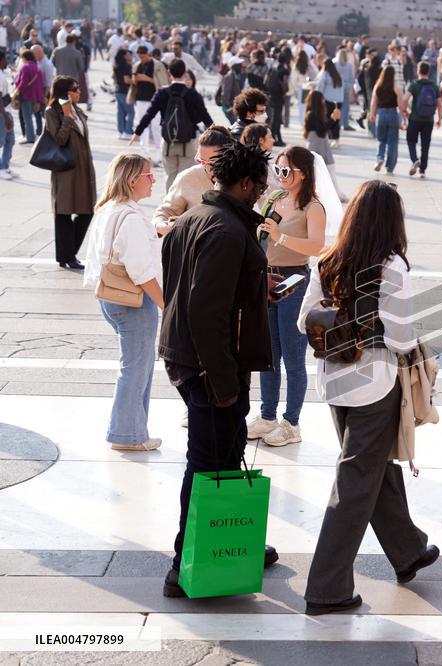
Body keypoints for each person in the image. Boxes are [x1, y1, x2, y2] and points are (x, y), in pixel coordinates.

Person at [298, 179, 438, 615]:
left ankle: (408, 549)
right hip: (374, 383)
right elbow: (399, 337)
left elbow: (306, 320)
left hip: (334, 383)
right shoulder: (391, 266)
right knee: (356, 481)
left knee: (371, 467)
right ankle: (326, 587)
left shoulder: (329, 260)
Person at [159, 141, 283, 599]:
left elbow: (190, 288)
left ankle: (233, 543)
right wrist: (222, 382)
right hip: (211, 365)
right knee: (207, 463)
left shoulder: (191, 219)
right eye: (260, 185)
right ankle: (182, 565)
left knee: (224, 458)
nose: (262, 192)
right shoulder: (227, 230)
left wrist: (257, 287)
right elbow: (204, 309)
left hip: (193, 356)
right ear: (246, 182)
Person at [245, 147, 328, 446]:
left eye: (286, 171)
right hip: (267, 277)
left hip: (295, 279)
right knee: (267, 354)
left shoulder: (313, 207)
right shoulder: (276, 198)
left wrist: (281, 237)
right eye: (277, 170)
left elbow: (317, 247)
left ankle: (292, 422)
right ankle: (267, 415)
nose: (280, 176)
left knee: (293, 356)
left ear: (303, 173)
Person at [82, 153, 164, 451]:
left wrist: (156, 231)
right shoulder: (129, 217)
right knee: (136, 367)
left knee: (136, 365)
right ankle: (126, 435)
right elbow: (141, 271)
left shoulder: (110, 209)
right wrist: (165, 306)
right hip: (133, 302)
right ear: (132, 180)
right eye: (148, 174)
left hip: (110, 298)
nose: (153, 179)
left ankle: (133, 430)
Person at [130, 59, 214, 190]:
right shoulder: (192, 93)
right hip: (189, 141)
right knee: (185, 177)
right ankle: (183, 206)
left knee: (170, 176)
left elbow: (149, 114)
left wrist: (137, 132)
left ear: (169, 72)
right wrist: (217, 132)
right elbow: (205, 116)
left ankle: (170, 204)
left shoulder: (162, 93)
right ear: (185, 72)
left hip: (168, 141)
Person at [46, 76, 96, 271]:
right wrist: (66, 118)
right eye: (75, 89)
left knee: (86, 212)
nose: (79, 91)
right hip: (65, 170)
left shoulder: (78, 110)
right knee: (64, 213)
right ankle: (67, 256)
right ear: (66, 92)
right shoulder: (53, 112)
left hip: (82, 169)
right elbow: (58, 139)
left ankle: (67, 253)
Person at [153, 125, 234, 236]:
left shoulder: (242, 178)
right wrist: (162, 226)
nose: (207, 167)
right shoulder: (187, 177)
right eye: (201, 161)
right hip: (195, 248)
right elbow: (164, 212)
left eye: (213, 161)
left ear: (228, 155)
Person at [402, 61, 442, 178]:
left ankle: (415, 159)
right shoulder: (434, 86)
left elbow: (405, 99)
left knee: (411, 140)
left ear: (418, 71)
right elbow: (439, 104)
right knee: (425, 145)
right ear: (428, 72)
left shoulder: (414, 84)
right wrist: (439, 119)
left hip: (415, 118)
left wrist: (405, 111)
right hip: (429, 120)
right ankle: (423, 170)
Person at [370, 65, 402, 175]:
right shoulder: (396, 87)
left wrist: (372, 114)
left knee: (381, 139)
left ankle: (380, 158)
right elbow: (400, 104)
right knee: (393, 142)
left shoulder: (378, 86)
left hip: (381, 113)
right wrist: (403, 116)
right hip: (393, 113)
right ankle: (390, 167)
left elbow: (373, 102)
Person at [131, 46, 161, 164]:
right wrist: (135, 79)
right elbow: (133, 82)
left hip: (154, 98)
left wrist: (146, 78)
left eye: (143, 56)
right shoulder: (137, 65)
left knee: (156, 126)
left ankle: (159, 152)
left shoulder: (156, 65)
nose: (141, 59)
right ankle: (144, 152)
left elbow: (161, 82)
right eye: (139, 57)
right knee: (142, 125)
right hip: (140, 98)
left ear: (148, 54)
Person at [14, 49, 45, 144]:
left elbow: (23, 83)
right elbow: (41, 84)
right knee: (35, 116)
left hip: (26, 95)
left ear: (25, 58)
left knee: (27, 118)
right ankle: (35, 135)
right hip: (35, 96)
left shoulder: (25, 67)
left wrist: (16, 91)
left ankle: (30, 137)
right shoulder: (37, 68)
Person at [51, 33, 87, 105]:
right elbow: (81, 68)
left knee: (60, 99)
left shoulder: (57, 51)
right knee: (71, 101)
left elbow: (53, 62)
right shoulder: (77, 53)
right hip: (72, 80)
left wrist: (60, 67)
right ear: (74, 41)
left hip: (60, 78)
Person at [316, 56, 344, 143]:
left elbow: (320, 85)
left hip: (328, 100)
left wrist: (318, 96)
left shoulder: (325, 74)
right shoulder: (338, 75)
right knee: (336, 120)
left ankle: (328, 137)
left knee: (328, 119)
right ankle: (336, 138)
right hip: (338, 101)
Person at [290, 49, 318, 126]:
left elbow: (293, 79)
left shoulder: (296, 66)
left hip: (300, 88)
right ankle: (309, 122)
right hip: (310, 87)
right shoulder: (310, 65)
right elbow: (316, 74)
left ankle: (303, 124)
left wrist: (293, 89)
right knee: (310, 107)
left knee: (302, 108)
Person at [0, 48, 16, 180]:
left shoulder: (2, 73)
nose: (7, 60)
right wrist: (5, 117)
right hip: (2, 113)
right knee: (2, 141)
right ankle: (2, 168)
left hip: (6, 111)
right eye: (5, 58)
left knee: (10, 140)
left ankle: (5, 166)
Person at [112, 48, 135, 140]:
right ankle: (128, 131)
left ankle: (120, 131)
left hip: (118, 90)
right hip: (125, 91)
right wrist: (135, 80)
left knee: (120, 112)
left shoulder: (116, 65)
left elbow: (113, 76)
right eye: (128, 54)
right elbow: (126, 80)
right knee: (130, 112)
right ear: (124, 56)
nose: (129, 55)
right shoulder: (126, 66)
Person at [219, 56, 247, 124]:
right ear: (234, 66)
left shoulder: (237, 76)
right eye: (239, 64)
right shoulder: (229, 76)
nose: (241, 66)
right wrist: (229, 108)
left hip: (234, 107)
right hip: (229, 108)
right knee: (237, 126)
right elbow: (225, 93)